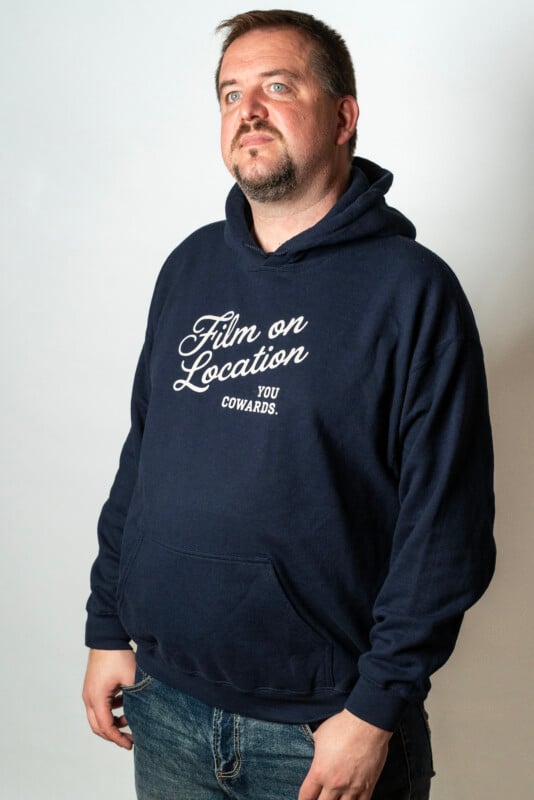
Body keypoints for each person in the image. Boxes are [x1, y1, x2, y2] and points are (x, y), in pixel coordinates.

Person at [82, 10, 496, 800]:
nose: (249, 109)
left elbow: (447, 528)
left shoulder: (413, 293)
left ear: (343, 116)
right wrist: (108, 626)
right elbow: (144, 457)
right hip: (166, 702)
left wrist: (374, 712)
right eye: (231, 93)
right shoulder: (192, 266)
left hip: (319, 730)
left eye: (278, 85)